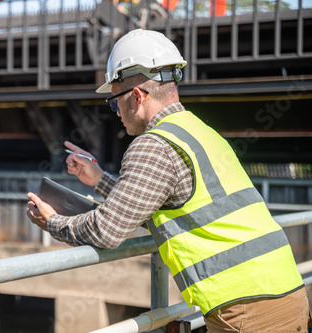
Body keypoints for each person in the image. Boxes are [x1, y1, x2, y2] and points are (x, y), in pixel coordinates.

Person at [26, 29, 309, 332]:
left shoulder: (153, 145)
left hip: (245, 309)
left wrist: (53, 221)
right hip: (285, 291)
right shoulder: (197, 130)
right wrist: (99, 179)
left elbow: (106, 231)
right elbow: (166, 201)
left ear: (137, 96)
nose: (116, 111)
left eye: (114, 102)